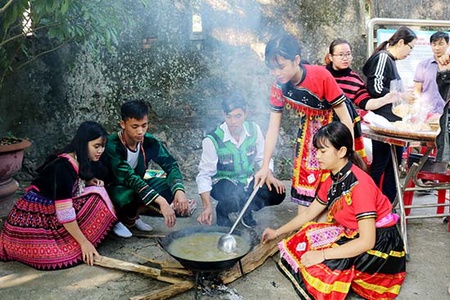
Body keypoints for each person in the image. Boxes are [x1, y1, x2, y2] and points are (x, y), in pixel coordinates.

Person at [261, 121, 406, 300]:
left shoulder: (360, 186)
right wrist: (276, 232)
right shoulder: (333, 179)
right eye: (317, 151)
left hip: (380, 245)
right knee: (302, 237)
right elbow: (307, 214)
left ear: (342, 152)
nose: (318, 156)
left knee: (321, 271)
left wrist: (322, 254)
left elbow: (367, 241)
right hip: (355, 233)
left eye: (323, 151)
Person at [254, 34, 354, 214]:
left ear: (296, 60)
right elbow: (272, 129)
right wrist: (264, 167)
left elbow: (346, 119)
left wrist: (347, 155)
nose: (276, 73)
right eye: (271, 69)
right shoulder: (278, 87)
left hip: (337, 130)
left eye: (281, 67)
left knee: (336, 182)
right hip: (311, 129)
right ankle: (306, 222)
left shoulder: (320, 75)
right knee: (306, 177)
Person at [0, 121, 118, 270]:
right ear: (83, 144)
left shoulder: (75, 160)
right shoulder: (63, 166)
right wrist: (84, 242)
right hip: (33, 217)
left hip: (48, 208)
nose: (100, 150)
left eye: (102, 146)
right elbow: (65, 213)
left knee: (98, 191)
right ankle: (79, 243)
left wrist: (88, 181)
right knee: (97, 199)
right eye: (96, 146)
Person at [105, 99, 194, 235]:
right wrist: (161, 201)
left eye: (144, 125)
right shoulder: (112, 144)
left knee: (165, 178)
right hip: (116, 185)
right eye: (134, 127)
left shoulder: (148, 140)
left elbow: (170, 164)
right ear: (123, 124)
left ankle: (137, 212)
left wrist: (179, 191)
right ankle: (121, 219)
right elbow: (129, 177)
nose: (140, 131)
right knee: (127, 197)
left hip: (142, 176)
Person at [196, 95, 286, 227]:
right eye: (229, 116)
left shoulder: (254, 129)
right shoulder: (212, 139)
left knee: (277, 192)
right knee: (233, 194)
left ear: (246, 113)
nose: (233, 121)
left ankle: (246, 210)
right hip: (223, 184)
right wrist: (207, 206)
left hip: (248, 181)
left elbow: (263, 158)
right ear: (223, 115)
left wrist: (269, 175)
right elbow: (204, 175)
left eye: (238, 116)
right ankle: (222, 210)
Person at [362, 26, 417, 203]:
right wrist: (401, 96)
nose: (410, 53)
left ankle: (387, 206)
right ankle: (372, 204)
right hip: (383, 123)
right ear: (401, 42)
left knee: (391, 167)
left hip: (391, 124)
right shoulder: (383, 57)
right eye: (410, 47)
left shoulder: (390, 60)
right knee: (381, 166)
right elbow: (375, 88)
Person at [324, 38, 397, 164]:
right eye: (340, 55)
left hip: (341, 129)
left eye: (348, 54)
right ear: (331, 57)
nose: (345, 58)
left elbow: (366, 103)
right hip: (320, 127)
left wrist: (386, 99)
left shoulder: (354, 80)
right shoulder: (322, 74)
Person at [413, 31, 449, 115]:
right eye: (434, 44)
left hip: (446, 113)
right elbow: (417, 90)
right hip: (426, 113)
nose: (437, 48)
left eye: (441, 44)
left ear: (448, 44)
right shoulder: (423, 65)